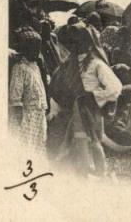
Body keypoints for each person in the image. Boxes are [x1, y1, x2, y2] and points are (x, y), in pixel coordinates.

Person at [51, 23, 122, 177]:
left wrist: (94, 96)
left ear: (88, 45)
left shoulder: (96, 64)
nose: (75, 47)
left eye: (78, 43)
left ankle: (99, 172)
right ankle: (83, 172)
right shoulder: (71, 64)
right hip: (78, 107)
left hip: (91, 107)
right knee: (79, 139)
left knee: (94, 140)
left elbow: (115, 87)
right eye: (73, 43)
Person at [9, 27, 49, 154]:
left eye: (38, 48)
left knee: (38, 144)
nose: (37, 52)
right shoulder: (20, 68)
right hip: (27, 114)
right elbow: (15, 93)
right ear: (25, 49)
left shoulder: (36, 67)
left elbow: (41, 88)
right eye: (33, 48)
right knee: (26, 145)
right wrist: (19, 113)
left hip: (38, 114)